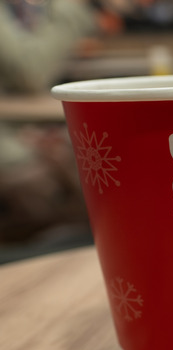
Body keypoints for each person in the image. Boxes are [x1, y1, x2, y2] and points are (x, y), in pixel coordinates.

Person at [0, 0, 99, 244]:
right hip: (13, 154)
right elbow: (29, 73)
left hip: (17, 131)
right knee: (85, 169)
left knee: (86, 157)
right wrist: (70, 8)